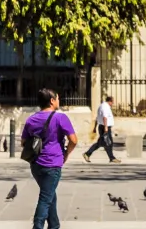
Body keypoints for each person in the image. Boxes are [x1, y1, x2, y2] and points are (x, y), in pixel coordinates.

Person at [22, 88, 79, 229]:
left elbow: (24, 142)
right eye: (58, 98)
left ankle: (54, 225)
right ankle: (38, 225)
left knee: (49, 194)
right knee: (46, 198)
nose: (59, 101)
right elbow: (74, 140)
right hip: (52, 164)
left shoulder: (31, 119)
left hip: (35, 164)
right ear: (52, 101)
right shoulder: (60, 118)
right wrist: (66, 153)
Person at [84, 93, 120, 162]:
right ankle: (87, 154)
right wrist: (106, 127)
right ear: (110, 101)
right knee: (105, 143)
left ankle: (111, 158)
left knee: (106, 143)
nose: (112, 104)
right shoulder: (105, 107)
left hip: (102, 127)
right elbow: (104, 117)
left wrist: (95, 127)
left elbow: (98, 118)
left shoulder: (102, 106)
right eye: (112, 102)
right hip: (104, 127)